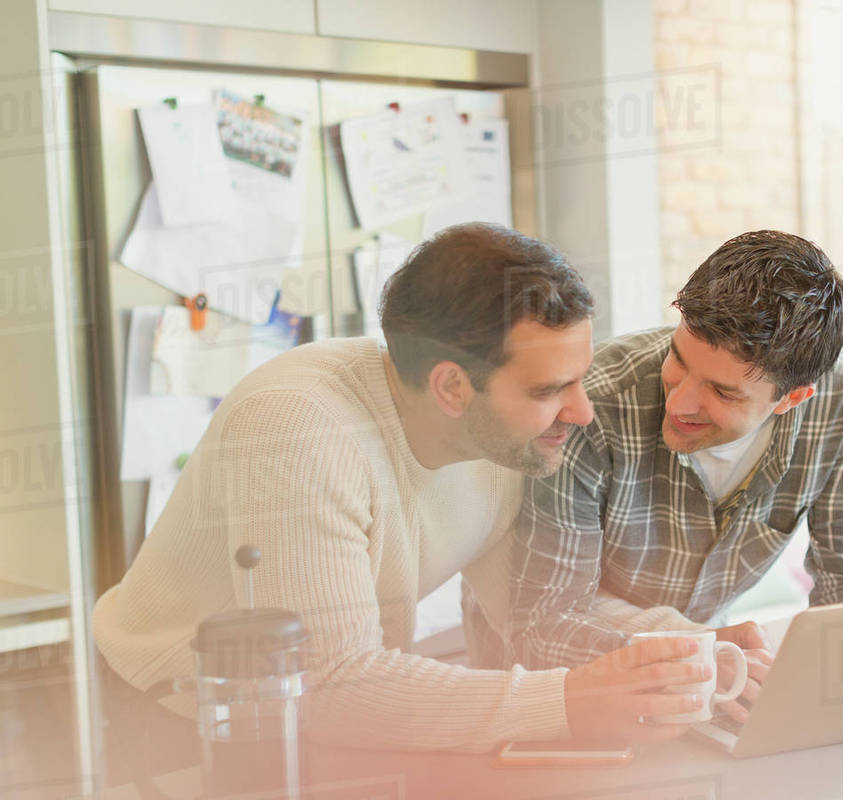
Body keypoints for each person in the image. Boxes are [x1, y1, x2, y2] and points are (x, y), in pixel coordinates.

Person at [92, 223, 713, 754]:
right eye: (548, 390)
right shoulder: (298, 426)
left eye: (577, 381)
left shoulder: (504, 440)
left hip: (317, 715)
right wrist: (568, 701)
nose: (580, 412)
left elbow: (537, 604)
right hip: (185, 721)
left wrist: (689, 646)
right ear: (451, 388)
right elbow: (333, 684)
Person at [494, 230, 843, 723]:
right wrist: (697, 653)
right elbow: (542, 626)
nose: (679, 403)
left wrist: (817, 689)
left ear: (791, 400)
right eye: (678, 360)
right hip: (552, 690)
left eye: (722, 393)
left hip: (706, 675)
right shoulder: (587, 410)